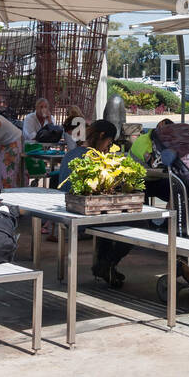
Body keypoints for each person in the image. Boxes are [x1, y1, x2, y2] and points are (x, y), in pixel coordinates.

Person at [57, 119, 132, 287]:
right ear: (102, 136)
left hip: (66, 211)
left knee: (111, 219)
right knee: (138, 224)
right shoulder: (93, 157)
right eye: (109, 142)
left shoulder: (71, 153)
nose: (108, 147)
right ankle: (106, 264)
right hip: (82, 216)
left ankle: (105, 265)